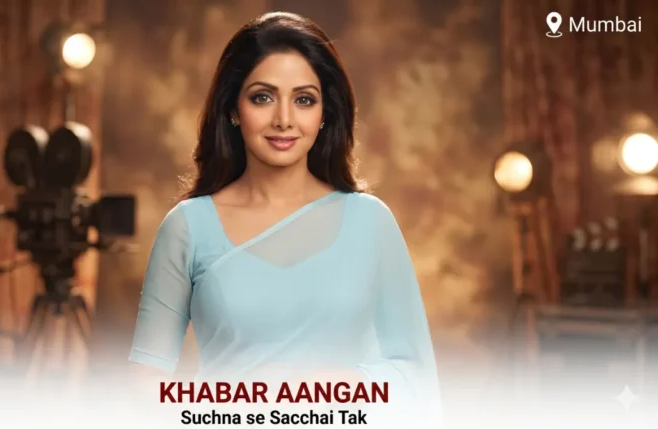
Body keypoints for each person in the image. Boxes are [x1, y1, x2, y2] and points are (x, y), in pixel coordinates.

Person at [129, 11, 441, 422]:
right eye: (262, 97)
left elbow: (416, 378)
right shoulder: (187, 226)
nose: (284, 119)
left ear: (325, 113)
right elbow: (145, 386)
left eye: (304, 99)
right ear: (233, 108)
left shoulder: (370, 222)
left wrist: (329, 386)